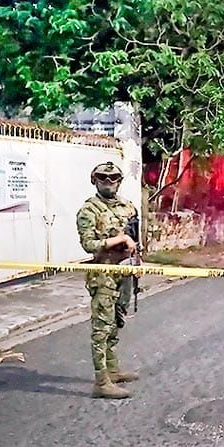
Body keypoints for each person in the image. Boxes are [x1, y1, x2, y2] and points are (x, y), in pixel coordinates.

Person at [76, 162, 140, 399]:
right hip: (103, 273)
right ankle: (101, 381)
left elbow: (136, 239)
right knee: (101, 327)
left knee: (116, 321)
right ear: (95, 180)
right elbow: (88, 245)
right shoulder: (89, 211)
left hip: (123, 271)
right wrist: (116, 240)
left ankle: (113, 370)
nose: (109, 182)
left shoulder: (127, 207)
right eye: (103, 178)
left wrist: (137, 266)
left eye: (113, 178)